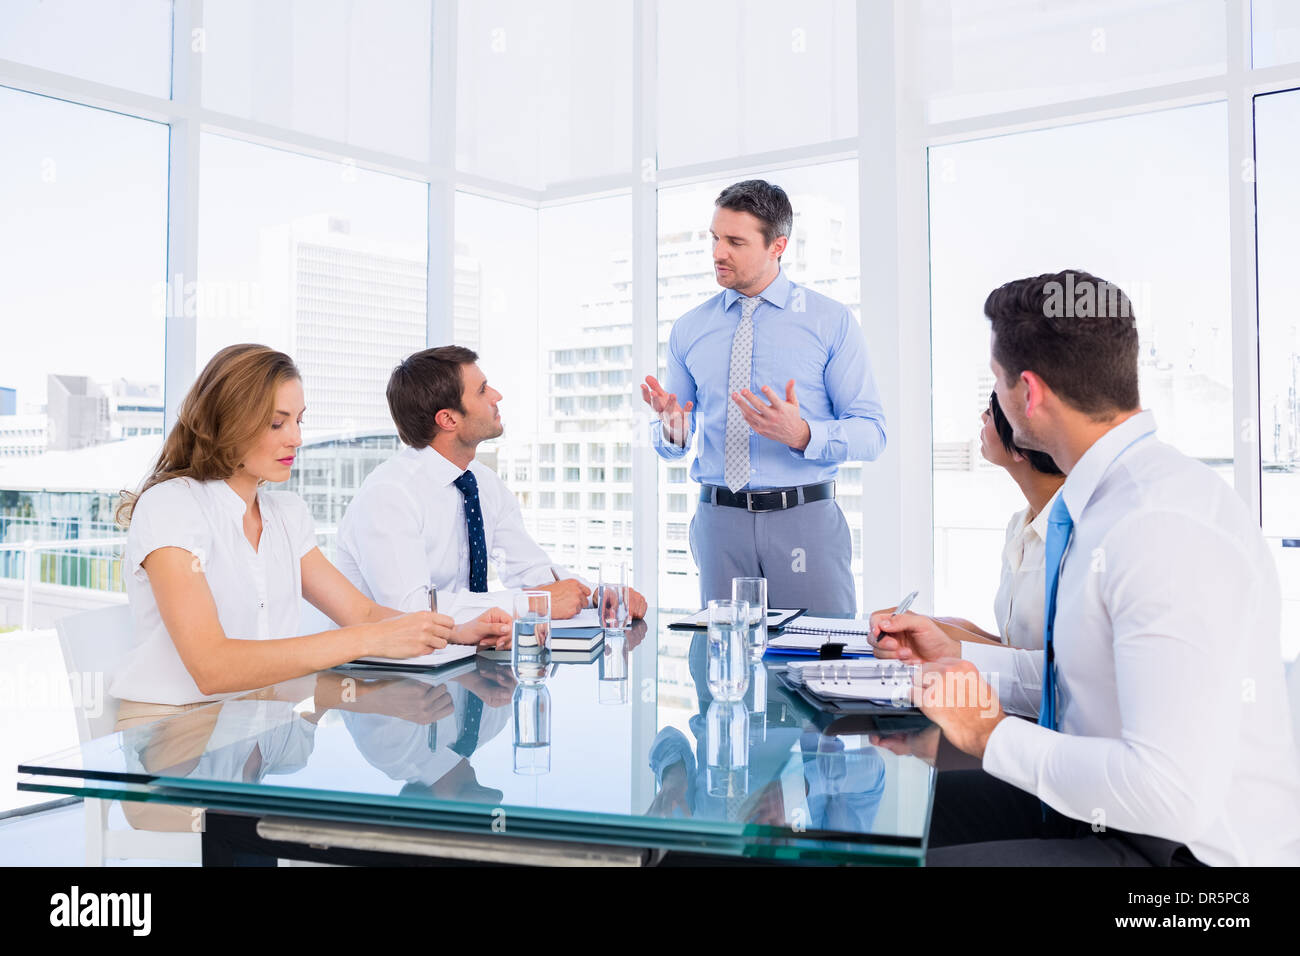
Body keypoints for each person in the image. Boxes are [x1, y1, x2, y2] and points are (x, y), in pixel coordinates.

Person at [871, 270, 1300, 866]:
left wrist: (989, 735)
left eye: (995, 381)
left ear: (1029, 391)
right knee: (882, 818)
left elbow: (1169, 793)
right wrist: (957, 656)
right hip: (1100, 810)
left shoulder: (1159, 523)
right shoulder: (1102, 501)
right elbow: (1075, 684)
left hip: (1186, 860)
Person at [109, 344, 511, 722]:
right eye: (276, 423)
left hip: (255, 727)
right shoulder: (172, 507)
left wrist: (455, 631)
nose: (296, 438)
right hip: (171, 735)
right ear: (224, 423)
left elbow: (362, 614)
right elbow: (213, 669)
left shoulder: (286, 515)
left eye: (298, 421)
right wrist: (368, 640)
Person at [641, 180, 886, 614]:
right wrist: (673, 430)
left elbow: (872, 433)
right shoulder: (689, 329)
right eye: (715, 238)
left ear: (778, 246)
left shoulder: (830, 321)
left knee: (817, 665)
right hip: (719, 522)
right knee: (721, 667)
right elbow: (674, 441)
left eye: (735, 241)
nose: (718, 253)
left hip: (804, 521)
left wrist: (803, 433)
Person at [336, 345, 648, 624]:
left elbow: (528, 568)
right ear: (448, 419)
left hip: (451, 658)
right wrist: (535, 604)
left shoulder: (481, 482)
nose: (496, 396)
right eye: (482, 390)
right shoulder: (390, 494)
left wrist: (598, 594)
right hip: (378, 677)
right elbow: (411, 609)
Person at [870, 391, 1064, 650]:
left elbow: (1047, 671)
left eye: (992, 411)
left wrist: (947, 641)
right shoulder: (1020, 525)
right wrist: (932, 626)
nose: (982, 416)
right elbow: (1015, 649)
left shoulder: (1076, 534)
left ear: (1022, 438)